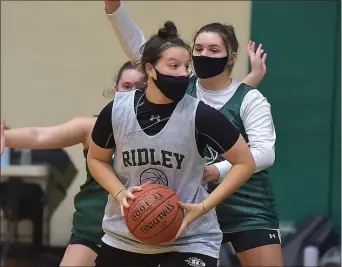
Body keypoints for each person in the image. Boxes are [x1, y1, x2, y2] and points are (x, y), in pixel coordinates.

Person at [104, 2, 283, 266]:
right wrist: (114, 9)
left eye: (213, 50)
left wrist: (217, 170)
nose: (204, 55)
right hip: (185, 205)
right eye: (198, 49)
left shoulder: (250, 98)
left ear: (231, 56)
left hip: (245, 205)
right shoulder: (177, 86)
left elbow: (265, 152)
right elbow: (140, 46)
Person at [0, 61, 141, 267]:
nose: (132, 94)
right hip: (93, 229)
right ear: (115, 90)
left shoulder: (166, 134)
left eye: (140, 88)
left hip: (141, 232)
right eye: (126, 87)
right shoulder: (92, 127)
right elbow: (40, 135)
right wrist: (6, 137)